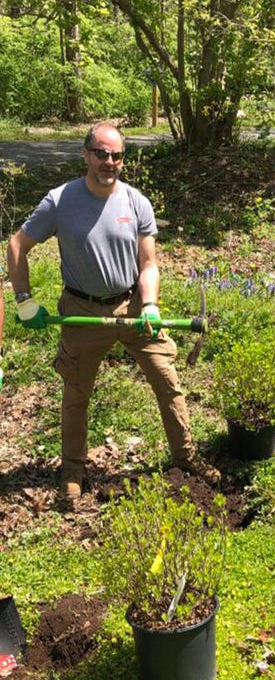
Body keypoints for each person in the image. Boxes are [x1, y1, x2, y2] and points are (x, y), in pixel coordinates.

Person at [7, 121, 219, 504]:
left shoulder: (136, 202)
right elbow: (18, 244)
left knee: (167, 381)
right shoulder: (61, 201)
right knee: (76, 393)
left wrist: (151, 305)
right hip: (82, 311)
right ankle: (72, 470)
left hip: (134, 309)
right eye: (101, 153)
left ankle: (185, 458)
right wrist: (24, 299)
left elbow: (149, 264)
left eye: (116, 155)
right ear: (86, 155)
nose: (109, 161)